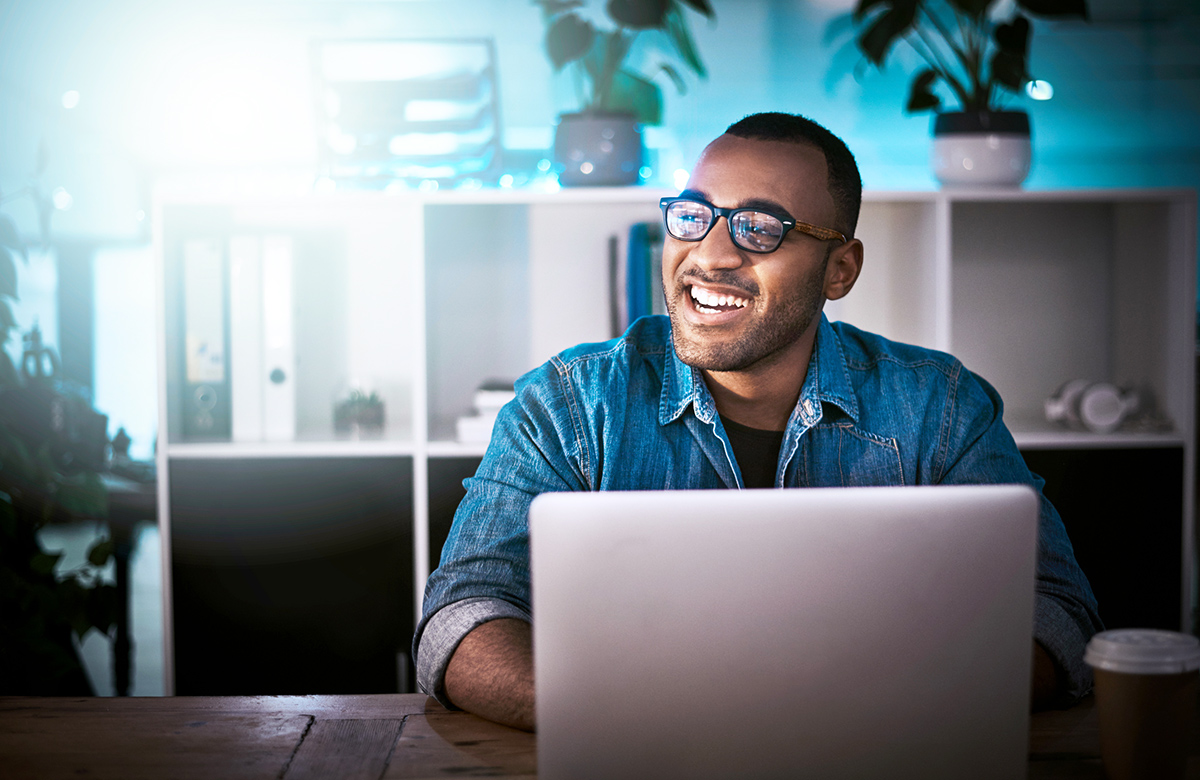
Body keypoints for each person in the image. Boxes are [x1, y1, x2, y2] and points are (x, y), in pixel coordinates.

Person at [413, 112, 1102, 732]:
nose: (710, 256)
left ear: (840, 269)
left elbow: (1057, 615)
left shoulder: (940, 406)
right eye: (692, 216)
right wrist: (621, 715)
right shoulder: (567, 404)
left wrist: (864, 711)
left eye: (760, 228)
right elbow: (461, 616)